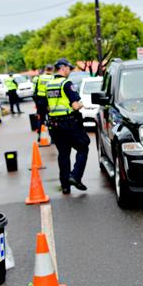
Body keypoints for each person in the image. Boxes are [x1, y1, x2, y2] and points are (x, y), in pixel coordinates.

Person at [46, 58, 89, 194]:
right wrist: (82, 104)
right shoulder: (66, 83)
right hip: (69, 123)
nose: (70, 71)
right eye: (69, 68)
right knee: (83, 147)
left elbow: (48, 106)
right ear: (63, 67)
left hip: (55, 124)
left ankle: (65, 186)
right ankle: (75, 176)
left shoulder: (49, 84)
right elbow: (75, 105)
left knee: (63, 154)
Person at [33, 64, 55, 141]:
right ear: (52, 69)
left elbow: (35, 92)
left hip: (40, 101)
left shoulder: (40, 77)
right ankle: (53, 138)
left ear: (45, 69)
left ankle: (39, 137)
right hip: (49, 101)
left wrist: (36, 104)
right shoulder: (53, 78)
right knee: (51, 119)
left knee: (41, 119)